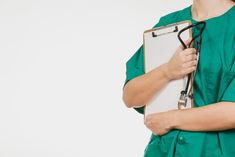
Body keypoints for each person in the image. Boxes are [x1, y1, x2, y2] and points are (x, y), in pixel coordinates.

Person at [122, 0, 235, 156]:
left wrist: (170, 119)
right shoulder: (168, 24)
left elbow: (232, 112)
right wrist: (167, 71)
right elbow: (131, 96)